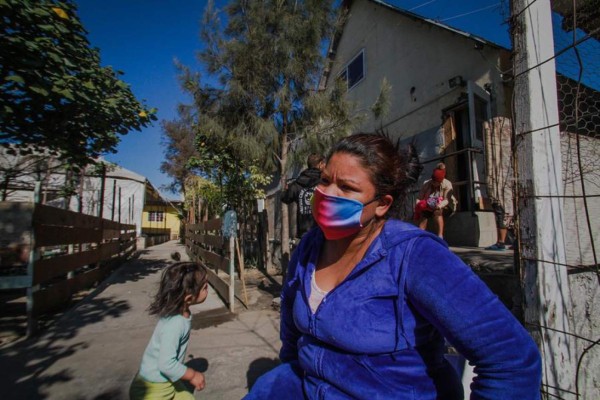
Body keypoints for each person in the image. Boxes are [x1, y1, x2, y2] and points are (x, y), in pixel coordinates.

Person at [245, 133, 541, 399]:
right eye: (325, 180)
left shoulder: (415, 255)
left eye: (347, 187)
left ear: (382, 204)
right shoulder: (309, 246)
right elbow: (292, 328)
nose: (328, 194)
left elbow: (511, 359)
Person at [130, 262, 209, 400]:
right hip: (153, 389)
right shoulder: (175, 323)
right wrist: (192, 375)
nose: (208, 290)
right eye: (205, 287)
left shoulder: (180, 313)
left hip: (166, 382)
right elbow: (166, 364)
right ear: (189, 298)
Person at [282, 153, 325, 238]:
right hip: (321, 233)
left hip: (304, 233)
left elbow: (285, 198)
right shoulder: (324, 183)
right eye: (324, 164)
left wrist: (286, 189)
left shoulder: (297, 184)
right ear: (320, 164)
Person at [416, 162, 455, 239]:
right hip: (429, 205)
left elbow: (447, 200)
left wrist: (439, 206)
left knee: (437, 212)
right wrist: (419, 205)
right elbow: (419, 197)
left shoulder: (447, 184)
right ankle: (420, 235)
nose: (433, 183)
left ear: (440, 181)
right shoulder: (426, 183)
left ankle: (440, 236)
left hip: (444, 205)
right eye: (433, 181)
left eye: (435, 182)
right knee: (424, 213)